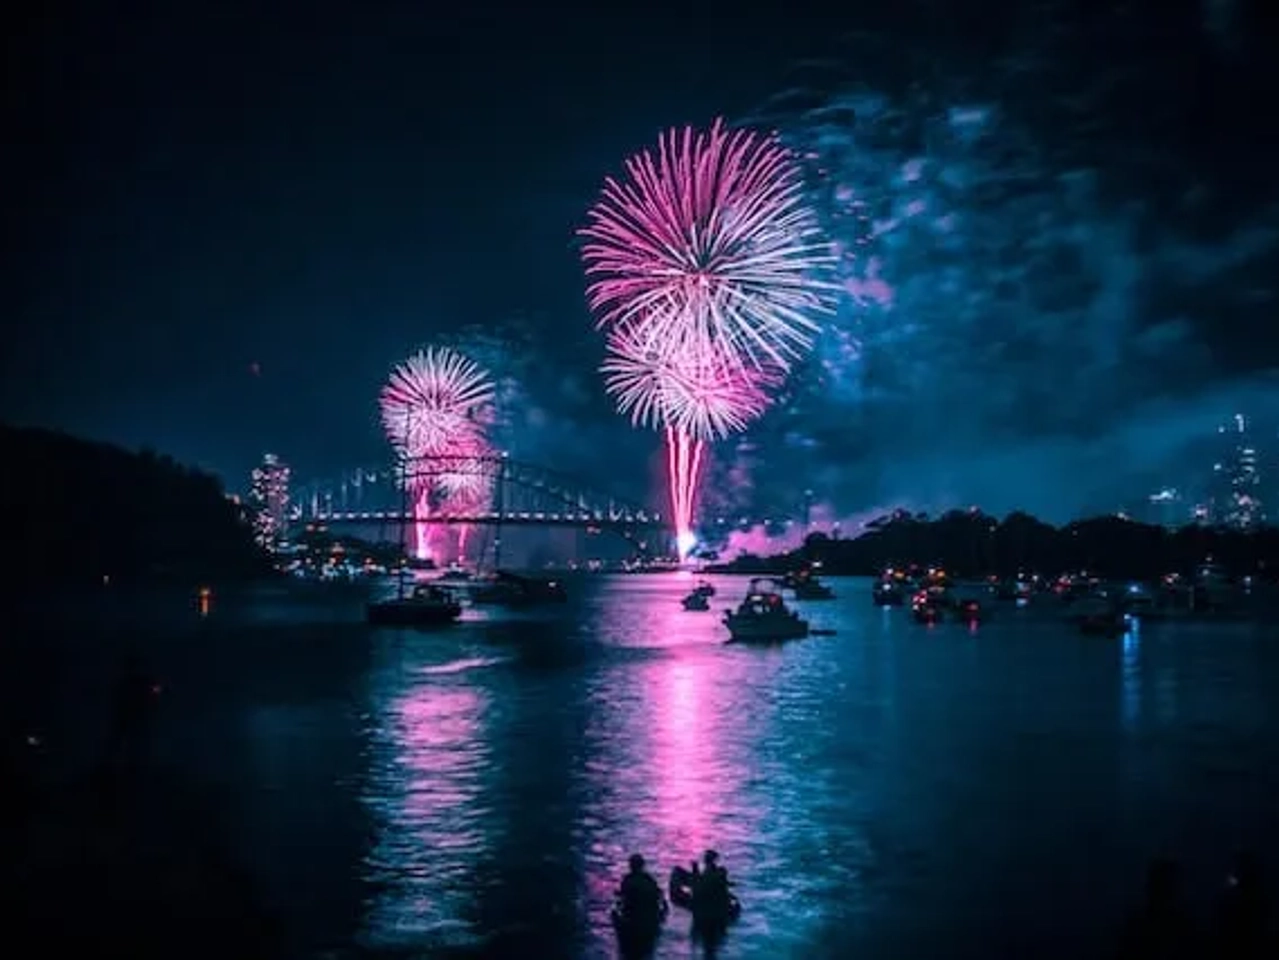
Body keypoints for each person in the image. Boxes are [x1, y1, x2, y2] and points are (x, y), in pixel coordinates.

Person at [619, 854, 664, 923]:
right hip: (649, 916)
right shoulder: (649, 879)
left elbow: (623, 895)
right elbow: (659, 894)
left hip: (633, 916)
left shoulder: (628, 879)